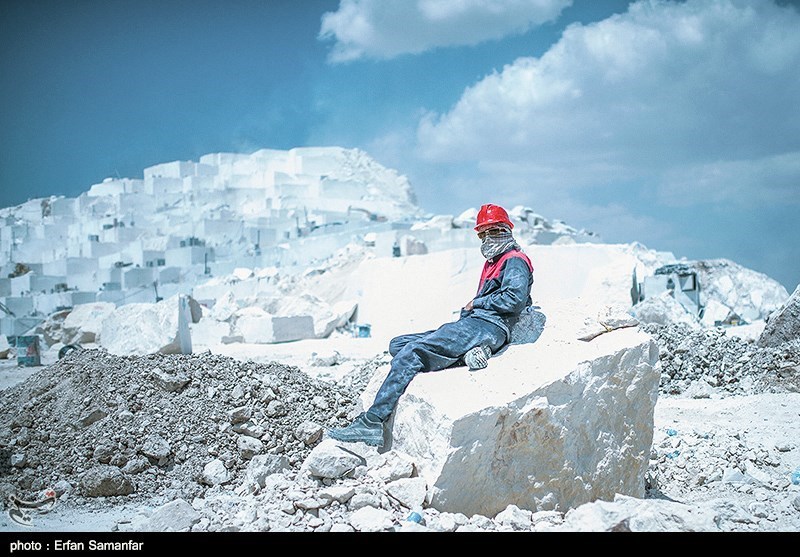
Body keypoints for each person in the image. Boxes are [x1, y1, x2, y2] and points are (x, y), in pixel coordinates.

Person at [328, 203, 534, 447]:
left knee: (412, 353)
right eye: (483, 234)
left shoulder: (515, 260)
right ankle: (466, 354)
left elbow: (514, 299)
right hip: (475, 324)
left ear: (507, 231)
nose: (488, 238)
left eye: (495, 232)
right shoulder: (493, 261)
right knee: (398, 344)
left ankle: (372, 422)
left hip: (488, 326)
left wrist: (477, 302)